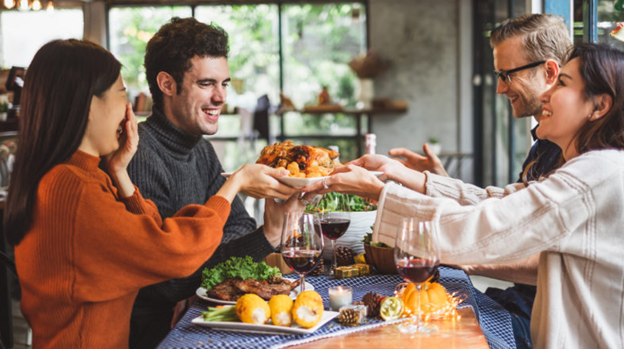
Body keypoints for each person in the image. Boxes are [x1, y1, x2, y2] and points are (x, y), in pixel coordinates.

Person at [305, 42, 624, 348]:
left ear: (599, 105)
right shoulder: (594, 168)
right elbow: (499, 204)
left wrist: (379, 191)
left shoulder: (594, 174)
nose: (546, 92)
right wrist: (400, 175)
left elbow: (489, 225)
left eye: (562, 84)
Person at [3, 39, 295, 349]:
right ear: (89, 104)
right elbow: (171, 253)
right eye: (122, 94)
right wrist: (234, 184)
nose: (129, 110)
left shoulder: (82, 175)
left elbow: (152, 236)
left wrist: (119, 173)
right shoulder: (72, 189)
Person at [387, 13, 572, 348]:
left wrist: (454, 251)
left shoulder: (583, 156)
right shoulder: (545, 144)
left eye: (506, 75)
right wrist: (434, 182)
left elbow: (546, 259)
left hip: (544, 322)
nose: (500, 88)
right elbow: (507, 208)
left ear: (549, 72)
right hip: (521, 303)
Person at [124, 17, 308, 348]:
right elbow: (168, 282)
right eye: (207, 84)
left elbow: (238, 225)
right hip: (157, 334)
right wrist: (264, 237)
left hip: (199, 314)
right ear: (167, 84)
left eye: (224, 83)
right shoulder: (139, 154)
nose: (221, 97)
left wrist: (199, 279)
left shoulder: (202, 150)